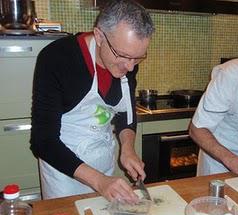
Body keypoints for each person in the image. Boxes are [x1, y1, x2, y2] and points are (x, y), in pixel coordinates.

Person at [30, 0, 155, 201]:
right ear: (99, 36)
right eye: (123, 56)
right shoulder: (57, 58)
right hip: (63, 174)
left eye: (138, 58)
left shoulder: (127, 61)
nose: (130, 67)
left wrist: (128, 148)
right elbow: (42, 141)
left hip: (103, 168)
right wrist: (99, 181)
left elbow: (125, 112)